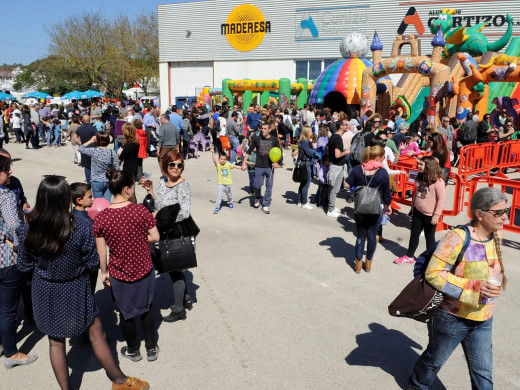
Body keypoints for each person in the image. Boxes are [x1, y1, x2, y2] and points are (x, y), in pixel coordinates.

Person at [17, 176, 149, 389]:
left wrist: (44, 268)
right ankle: (120, 381)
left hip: (45, 290)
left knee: (55, 342)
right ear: (66, 200)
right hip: (75, 287)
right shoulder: (79, 228)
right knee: (97, 334)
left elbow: (23, 266)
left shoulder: (27, 230)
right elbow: (92, 261)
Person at [408, 187, 508, 390]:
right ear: (480, 214)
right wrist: (474, 287)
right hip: (452, 318)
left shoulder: (496, 234)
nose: (505, 217)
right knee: (434, 361)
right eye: (499, 213)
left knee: (483, 373)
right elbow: (433, 273)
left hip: (483, 317)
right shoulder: (457, 238)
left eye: (505, 211)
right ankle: (417, 385)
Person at [93, 169, 160, 363]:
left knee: (125, 312)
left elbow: (101, 251)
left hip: (119, 272)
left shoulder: (102, 217)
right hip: (144, 268)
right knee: (147, 308)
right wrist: (138, 239)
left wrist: (104, 272)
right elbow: (155, 236)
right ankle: (151, 348)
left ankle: (133, 349)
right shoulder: (140, 210)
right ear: (127, 189)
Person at [140, 151, 199, 322]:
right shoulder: (162, 182)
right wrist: (150, 191)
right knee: (176, 267)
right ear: (165, 166)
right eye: (172, 164)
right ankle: (186, 298)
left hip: (177, 231)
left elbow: (185, 212)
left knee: (174, 268)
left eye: (179, 165)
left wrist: (161, 218)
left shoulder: (183, 185)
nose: (176, 168)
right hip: (164, 229)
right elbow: (159, 204)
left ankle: (179, 309)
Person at [0, 155, 38, 369]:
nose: (10, 173)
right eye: (6, 170)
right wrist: (21, 241)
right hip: (6, 258)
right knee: (7, 309)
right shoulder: (4, 195)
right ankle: (12, 353)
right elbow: (16, 228)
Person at [345, 145, 392, 273]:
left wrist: (355, 188)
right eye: (383, 158)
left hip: (360, 207)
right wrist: (388, 206)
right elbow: (387, 194)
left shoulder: (357, 169)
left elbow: (346, 184)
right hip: (375, 208)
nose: (383, 160)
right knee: (372, 235)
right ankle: (368, 264)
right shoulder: (382, 173)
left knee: (360, 235)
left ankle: (358, 265)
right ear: (378, 157)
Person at [394, 156, 446, 265]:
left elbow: (441, 200)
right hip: (418, 212)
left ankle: (431, 260)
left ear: (429, 166)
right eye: (419, 164)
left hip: (429, 215)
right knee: (414, 234)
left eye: (421, 164)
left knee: (429, 237)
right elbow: (416, 195)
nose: (418, 166)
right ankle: (409, 256)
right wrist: (412, 208)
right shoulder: (421, 177)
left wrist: (436, 216)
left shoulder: (439, 182)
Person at [241, 122, 281, 214]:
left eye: (265, 128)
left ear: (269, 130)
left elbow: (278, 152)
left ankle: (266, 204)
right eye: (262, 128)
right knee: (257, 185)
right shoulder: (256, 139)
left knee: (269, 186)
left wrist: (276, 162)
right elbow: (249, 151)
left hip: (269, 167)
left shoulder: (274, 140)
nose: (263, 130)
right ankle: (257, 198)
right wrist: (244, 163)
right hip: (259, 166)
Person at [79, 132, 120, 201]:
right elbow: (117, 168)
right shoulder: (112, 152)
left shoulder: (94, 151)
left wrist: (90, 141)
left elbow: (80, 148)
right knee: (107, 201)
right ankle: (107, 211)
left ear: (97, 140)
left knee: (97, 201)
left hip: (96, 180)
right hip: (108, 180)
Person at [327, 119, 349, 218]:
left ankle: (331, 207)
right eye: (346, 124)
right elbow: (337, 154)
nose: (347, 126)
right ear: (341, 126)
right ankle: (330, 209)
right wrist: (346, 152)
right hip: (336, 166)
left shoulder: (334, 136)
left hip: (336, 165)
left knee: (334, 188)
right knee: (334, 188)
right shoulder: (338, 138)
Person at [210, 147, 241, 214]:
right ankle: (217, 207)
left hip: (228, 184)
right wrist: (212, 153)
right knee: (219, 196)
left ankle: (231, 202)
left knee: (229, 195)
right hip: (220, 184)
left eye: (224, 159)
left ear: (226, 159)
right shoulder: (218, 165)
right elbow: (214, 161)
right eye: (221, 159)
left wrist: (242, 168)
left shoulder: (228, 164)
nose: (223, 160)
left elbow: (235, 166)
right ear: (219, 159)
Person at [297, 126, 320, 210]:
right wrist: (316, 154)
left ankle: (300, 201)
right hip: (306, 163)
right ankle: (304, 202)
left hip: (305, 163)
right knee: (306, 183)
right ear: (306, 132)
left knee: (303, 183)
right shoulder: (305, 142)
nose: (312, 133)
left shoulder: (304, 141)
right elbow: (309, 152)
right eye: (310, 131)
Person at [74, 115, 98, 184]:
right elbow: (96, 137)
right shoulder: (93, 128)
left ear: (83, 121)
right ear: (89, 120)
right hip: (93, 148)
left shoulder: (80, 128)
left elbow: (75, 136)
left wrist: (80, 143)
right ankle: (93, 180)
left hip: (84, 148)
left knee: (86, 167)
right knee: (93, 166)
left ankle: (88, 182)